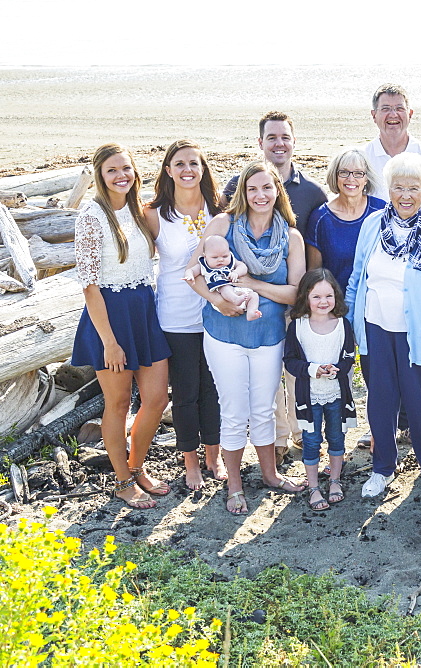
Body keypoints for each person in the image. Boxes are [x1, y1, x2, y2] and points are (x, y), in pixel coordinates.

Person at [188, 161, 308, 515]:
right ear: (242, 191)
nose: (260, 195)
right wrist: (216, 301)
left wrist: (253, 285)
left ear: (277, 192)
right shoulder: (223, 226)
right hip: (224, 335)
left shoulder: (291, 236)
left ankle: (270, 474)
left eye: (267, 188)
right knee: (235, 409)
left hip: (270, 335)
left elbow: (295, 294)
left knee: (265, 408)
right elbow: (194, 274)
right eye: (252, 188)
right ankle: (235, 483)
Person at [345, 153, 421, 500]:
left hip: (416, 334)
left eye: (414, 188)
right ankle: (382, 468)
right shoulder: (373, 225)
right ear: (388, 189)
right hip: (375, 330)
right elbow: (357, 279)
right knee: (379, 401)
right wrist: (350, 327)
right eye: (398, 187)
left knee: (419, 402)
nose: (405, 195)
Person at [222, 111, 328, 457]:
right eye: (272, 137)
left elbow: (314, 250)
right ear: (260, 143)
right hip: (251, 304)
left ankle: (303, 434)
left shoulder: (312, 192)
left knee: (296, 372)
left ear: (294, 142)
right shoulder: (238, 186)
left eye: (285, 137)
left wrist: (311, 299)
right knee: (266, 378)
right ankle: (278, 440)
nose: (279, 143)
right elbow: (223, 240)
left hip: (296, 298)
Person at [72, 143, 171, 509]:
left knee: (157, 398)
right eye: (112, 170)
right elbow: (89, 285)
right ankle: (122, 481)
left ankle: (137, 465)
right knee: (116, 404)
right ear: (100, 174)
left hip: (145, 311)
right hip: (110, 317)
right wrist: (109, 342)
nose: (121, 176)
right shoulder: (91, 215)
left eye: (126, 169)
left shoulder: (138, 210)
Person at [144, 140, 224, 491]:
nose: (187, 169)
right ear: (168, 170)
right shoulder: (154, 214)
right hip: (176, 316)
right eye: (179, 163)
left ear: (203, 169)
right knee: (187, 391)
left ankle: (214, 454)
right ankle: (190, 460)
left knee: (215, 389)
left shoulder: (219, 209)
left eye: (194, 163)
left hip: (218, 312)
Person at [283, 269, 357, 511]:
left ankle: (335, 481)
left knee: (337, 437)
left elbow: (348, 357)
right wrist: (314, 369)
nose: (323, 302)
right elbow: (291, 361)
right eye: (316, 297)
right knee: (311, 441)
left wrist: (337, 368)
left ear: (336, 296)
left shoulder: (343, 325)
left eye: (328, 296)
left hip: (337, 395)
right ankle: (314, 486)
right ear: (305, 297)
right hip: (309, 397)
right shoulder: (298, 326)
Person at [363, 84, 421, 223]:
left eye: (399, 108)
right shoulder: (362, 159)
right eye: (385, 109)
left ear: (410, 114)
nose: (393, 114)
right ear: (374, 115)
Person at [304, 149, 385, 292]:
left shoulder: (381, 211)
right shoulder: (320, 218)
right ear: (335, 176)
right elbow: (314, 274)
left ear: (366, 179)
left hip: (375, 302)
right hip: (336, 305)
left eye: (358, 173)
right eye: (344, 172)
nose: (351, 179)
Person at [183, 235, 260, 321]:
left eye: (224, 256)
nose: (220, 260)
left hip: (238, 292)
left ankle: (251, 313)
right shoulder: (203, 265)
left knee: (254, 295)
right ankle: (235, 299)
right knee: (224, 287)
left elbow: (243, 267)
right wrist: (189, 276)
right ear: (205, 256)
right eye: (215, 257)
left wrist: (236, 273)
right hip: (221, 296)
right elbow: (191, 270)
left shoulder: (231, 261)